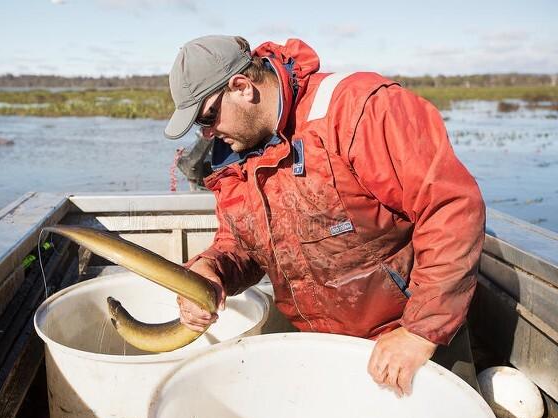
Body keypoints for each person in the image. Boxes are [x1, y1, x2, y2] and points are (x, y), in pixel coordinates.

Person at [164, 35, 486, 396]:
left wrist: (419, 332)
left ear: (242, 87)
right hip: (318, 342)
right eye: (198, 126)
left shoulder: (359, 109)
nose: (207, 134)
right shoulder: (235, 154)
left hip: (410, 337)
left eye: (208, 116)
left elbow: (450, 207)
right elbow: (242, 244)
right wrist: (212, 270)